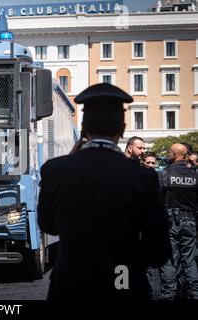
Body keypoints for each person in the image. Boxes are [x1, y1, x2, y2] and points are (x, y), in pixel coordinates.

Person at [37, 83, 171, 301]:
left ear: (84, 127)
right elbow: (158, 250)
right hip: (123, 278)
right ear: (123, 128)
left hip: (71, 280)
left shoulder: (54, 170)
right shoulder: (143, 177)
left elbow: (48, 225)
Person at [159, 143, 198, 300]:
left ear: (175, 155)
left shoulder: (164, 174)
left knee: (169, 260)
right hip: (190, 220)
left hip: (170, 221)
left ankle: (169, 294)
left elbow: (156, 199)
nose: (168, 154)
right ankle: (194, 293)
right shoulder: (195, 174)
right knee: (190, 260)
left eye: (169, 152)